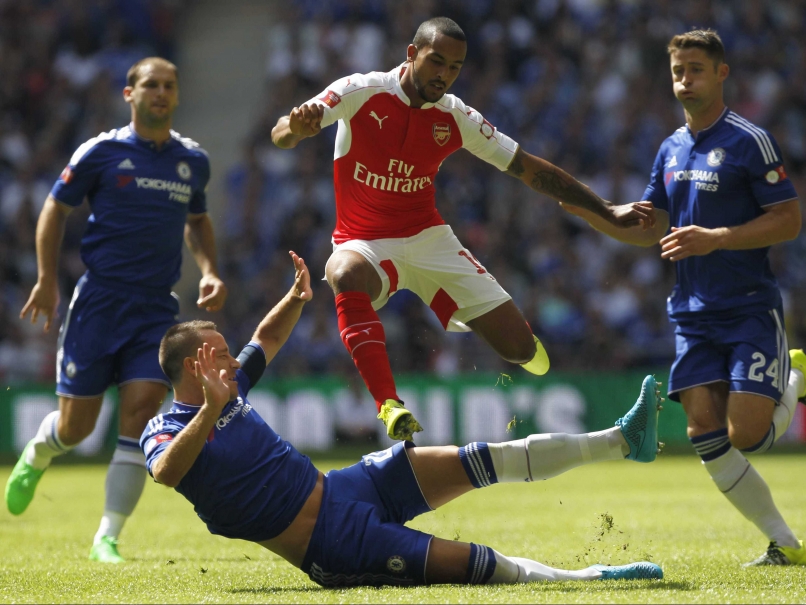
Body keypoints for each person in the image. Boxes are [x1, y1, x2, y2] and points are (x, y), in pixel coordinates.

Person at [141, 250, 664, 587]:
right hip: (331, 544)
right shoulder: (167, 427)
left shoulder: (231, 390)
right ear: (192, 367)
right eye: (220, 355)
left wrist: (295, 299)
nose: (233, 361)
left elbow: (267, 339)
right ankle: (592, 577)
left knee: (479, 458)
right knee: (473, 564)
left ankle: (622, 439)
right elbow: (165, 473)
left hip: (348, 488)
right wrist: (210, 409)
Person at [270, 17, 657, 441]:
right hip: (364, 242)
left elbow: (528, 169)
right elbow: (282, 133)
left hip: (429, 238)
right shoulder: (362, 91)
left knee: (519, 350)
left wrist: (605, 209)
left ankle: (476, 316)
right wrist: (296, 129)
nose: (445, 75)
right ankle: (389, 405)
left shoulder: (456, 117)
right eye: (437, 62)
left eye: (455, 67)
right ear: (411, 54)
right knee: (342, 272)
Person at [562, 29, 806, 567]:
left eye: (696, 69)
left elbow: (789, 220)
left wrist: (716, 238)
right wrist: (591, 214)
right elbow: (651, 227)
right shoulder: (670, 147)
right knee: (703, 432)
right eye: (677, 71)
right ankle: (785, 543)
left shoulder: (750, 141)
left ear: (721, 73)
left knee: (747, 434)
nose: (685, 80)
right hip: (691, 313)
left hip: (747, 306)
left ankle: (793, 380)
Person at [5, 57, 227, 564]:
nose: (161, 93)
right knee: (77, 429)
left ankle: (108, 536)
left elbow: (198, 219)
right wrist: (45, 279)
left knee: (141, 411)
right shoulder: (101, 152)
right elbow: (54, 210)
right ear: (129, 93)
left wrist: (210, 269)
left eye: (170, 86)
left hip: (154, 309)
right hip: (100, 303)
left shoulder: (193, 160)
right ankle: (40, 453)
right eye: (151, 85)